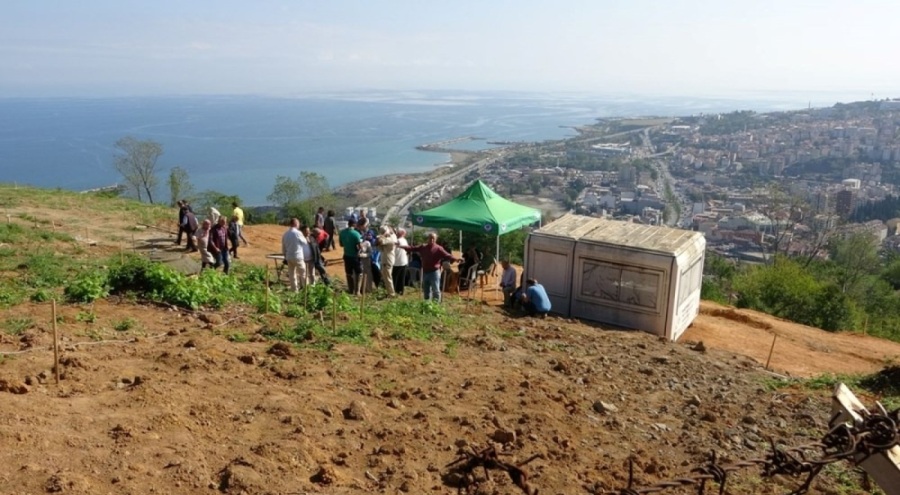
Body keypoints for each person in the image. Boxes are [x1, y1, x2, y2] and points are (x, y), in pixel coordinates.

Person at [401, 232, 459, 303]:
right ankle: (427, 304)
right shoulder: (423, 247)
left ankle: (436, 305)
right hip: (425, 272)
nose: (431, 240)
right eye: (430, 238)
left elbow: (447, 255)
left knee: (436, 290)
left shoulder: (438, 248)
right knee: (426, 290)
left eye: (433, 238)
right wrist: (402, 246)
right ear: (427, 239)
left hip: (434, 272)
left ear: (436, 239)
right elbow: (413, 248)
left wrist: (456, 259)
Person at [281, 218, 307, 292]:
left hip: (289, 256)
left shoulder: (285, 234)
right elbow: (305, 242)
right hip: (298, 256)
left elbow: (283, 247)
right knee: (303, 273)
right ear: (295, 224)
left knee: (292, 274)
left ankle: (294, 290)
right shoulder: (298, 233)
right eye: (298, 223)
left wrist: (285, 256)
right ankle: (306, 290)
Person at [339, 218, 363, 295]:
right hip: (355, 257)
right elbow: (360, 247)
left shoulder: (342, 233)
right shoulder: (356, 234)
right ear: (354, 224)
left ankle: (351, 290)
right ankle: (357, 291)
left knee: (349, 273)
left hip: (346, 255)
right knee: (359, 273)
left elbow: (341, 244)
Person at [376, 225, 397, 296]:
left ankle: (391, 294)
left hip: (387, 260)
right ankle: (389, 292)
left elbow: (379, 241)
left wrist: (383, 234)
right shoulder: (390, 237)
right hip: (386, 260)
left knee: (388, 278)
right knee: (386, 277)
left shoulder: (390, 238)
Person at [392, 228, 410, 295]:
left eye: (397, 232)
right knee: (401, 277)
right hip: (403, 261)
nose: (396, 233)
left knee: (395, 277)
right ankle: (400, 291)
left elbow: (394, 251)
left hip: (397, 262)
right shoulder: (404, 240)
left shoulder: (397, 241)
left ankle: (395, 290)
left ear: (400, 233)